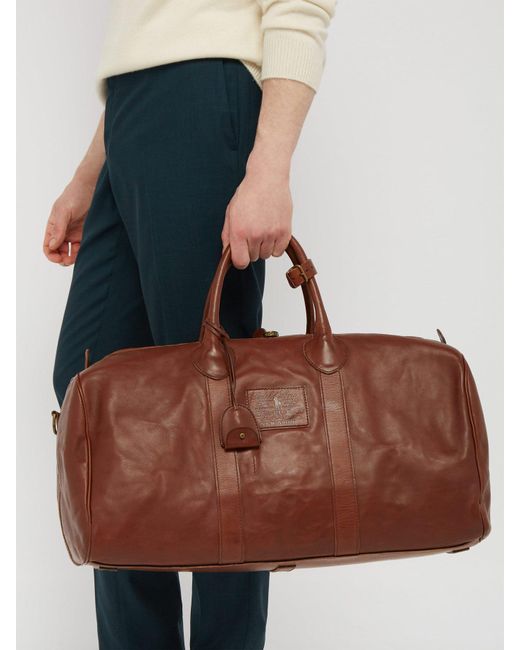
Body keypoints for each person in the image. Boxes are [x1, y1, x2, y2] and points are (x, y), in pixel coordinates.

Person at [43, 1, 336, 648]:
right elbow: (146, 36)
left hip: (204, 99)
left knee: (224, 418)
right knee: (97, 396)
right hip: (129, 116)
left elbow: (300, 8)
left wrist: (270, 169)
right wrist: (91, 175)